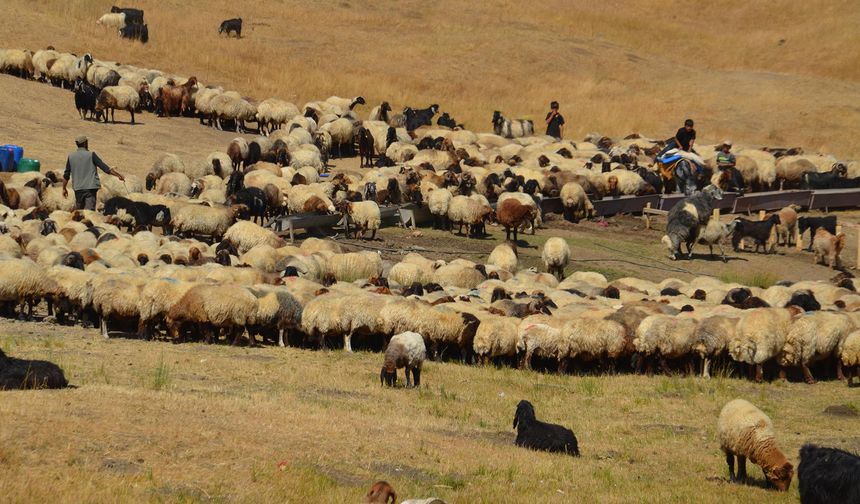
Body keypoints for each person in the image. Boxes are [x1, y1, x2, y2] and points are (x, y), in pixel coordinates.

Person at [62, 136, 124, 210]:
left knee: (80, 213)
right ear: (85, 143)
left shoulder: (71, 156)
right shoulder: (91, 155)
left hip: (78, 189)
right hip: (90, 189)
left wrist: (64, 188)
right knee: (89, 213)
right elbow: (105, 168)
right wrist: (119, 175)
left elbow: (66, 175)